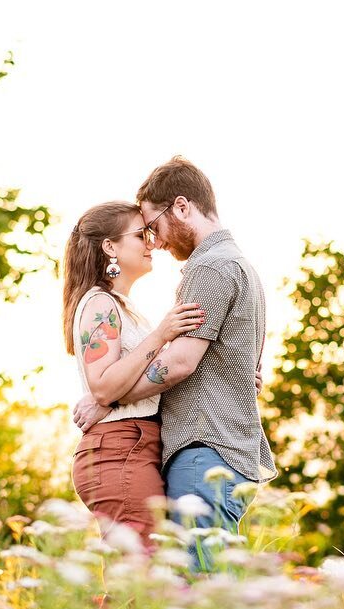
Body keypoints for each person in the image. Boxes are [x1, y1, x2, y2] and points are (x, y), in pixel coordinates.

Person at [73, 158, 277, 547]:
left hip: (204, 448)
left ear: (182, 207)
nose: (157, 242)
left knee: (193, 581)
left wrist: (109, 401)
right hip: (208, 448)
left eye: (154, 227)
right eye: (144, 234)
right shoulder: (238, 265)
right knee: (181, 580)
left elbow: (180, 362)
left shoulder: (211, 269)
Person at [62, 201, 206, 546]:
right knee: (140, 575)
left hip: (135, 446)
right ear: (109, 247)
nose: (152, 242)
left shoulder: (122, 307)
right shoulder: (100, 304)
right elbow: (103, 385)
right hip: (120, 449)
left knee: (144, 572)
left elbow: (121, 386)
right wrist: (161, 335)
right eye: (141, 234)